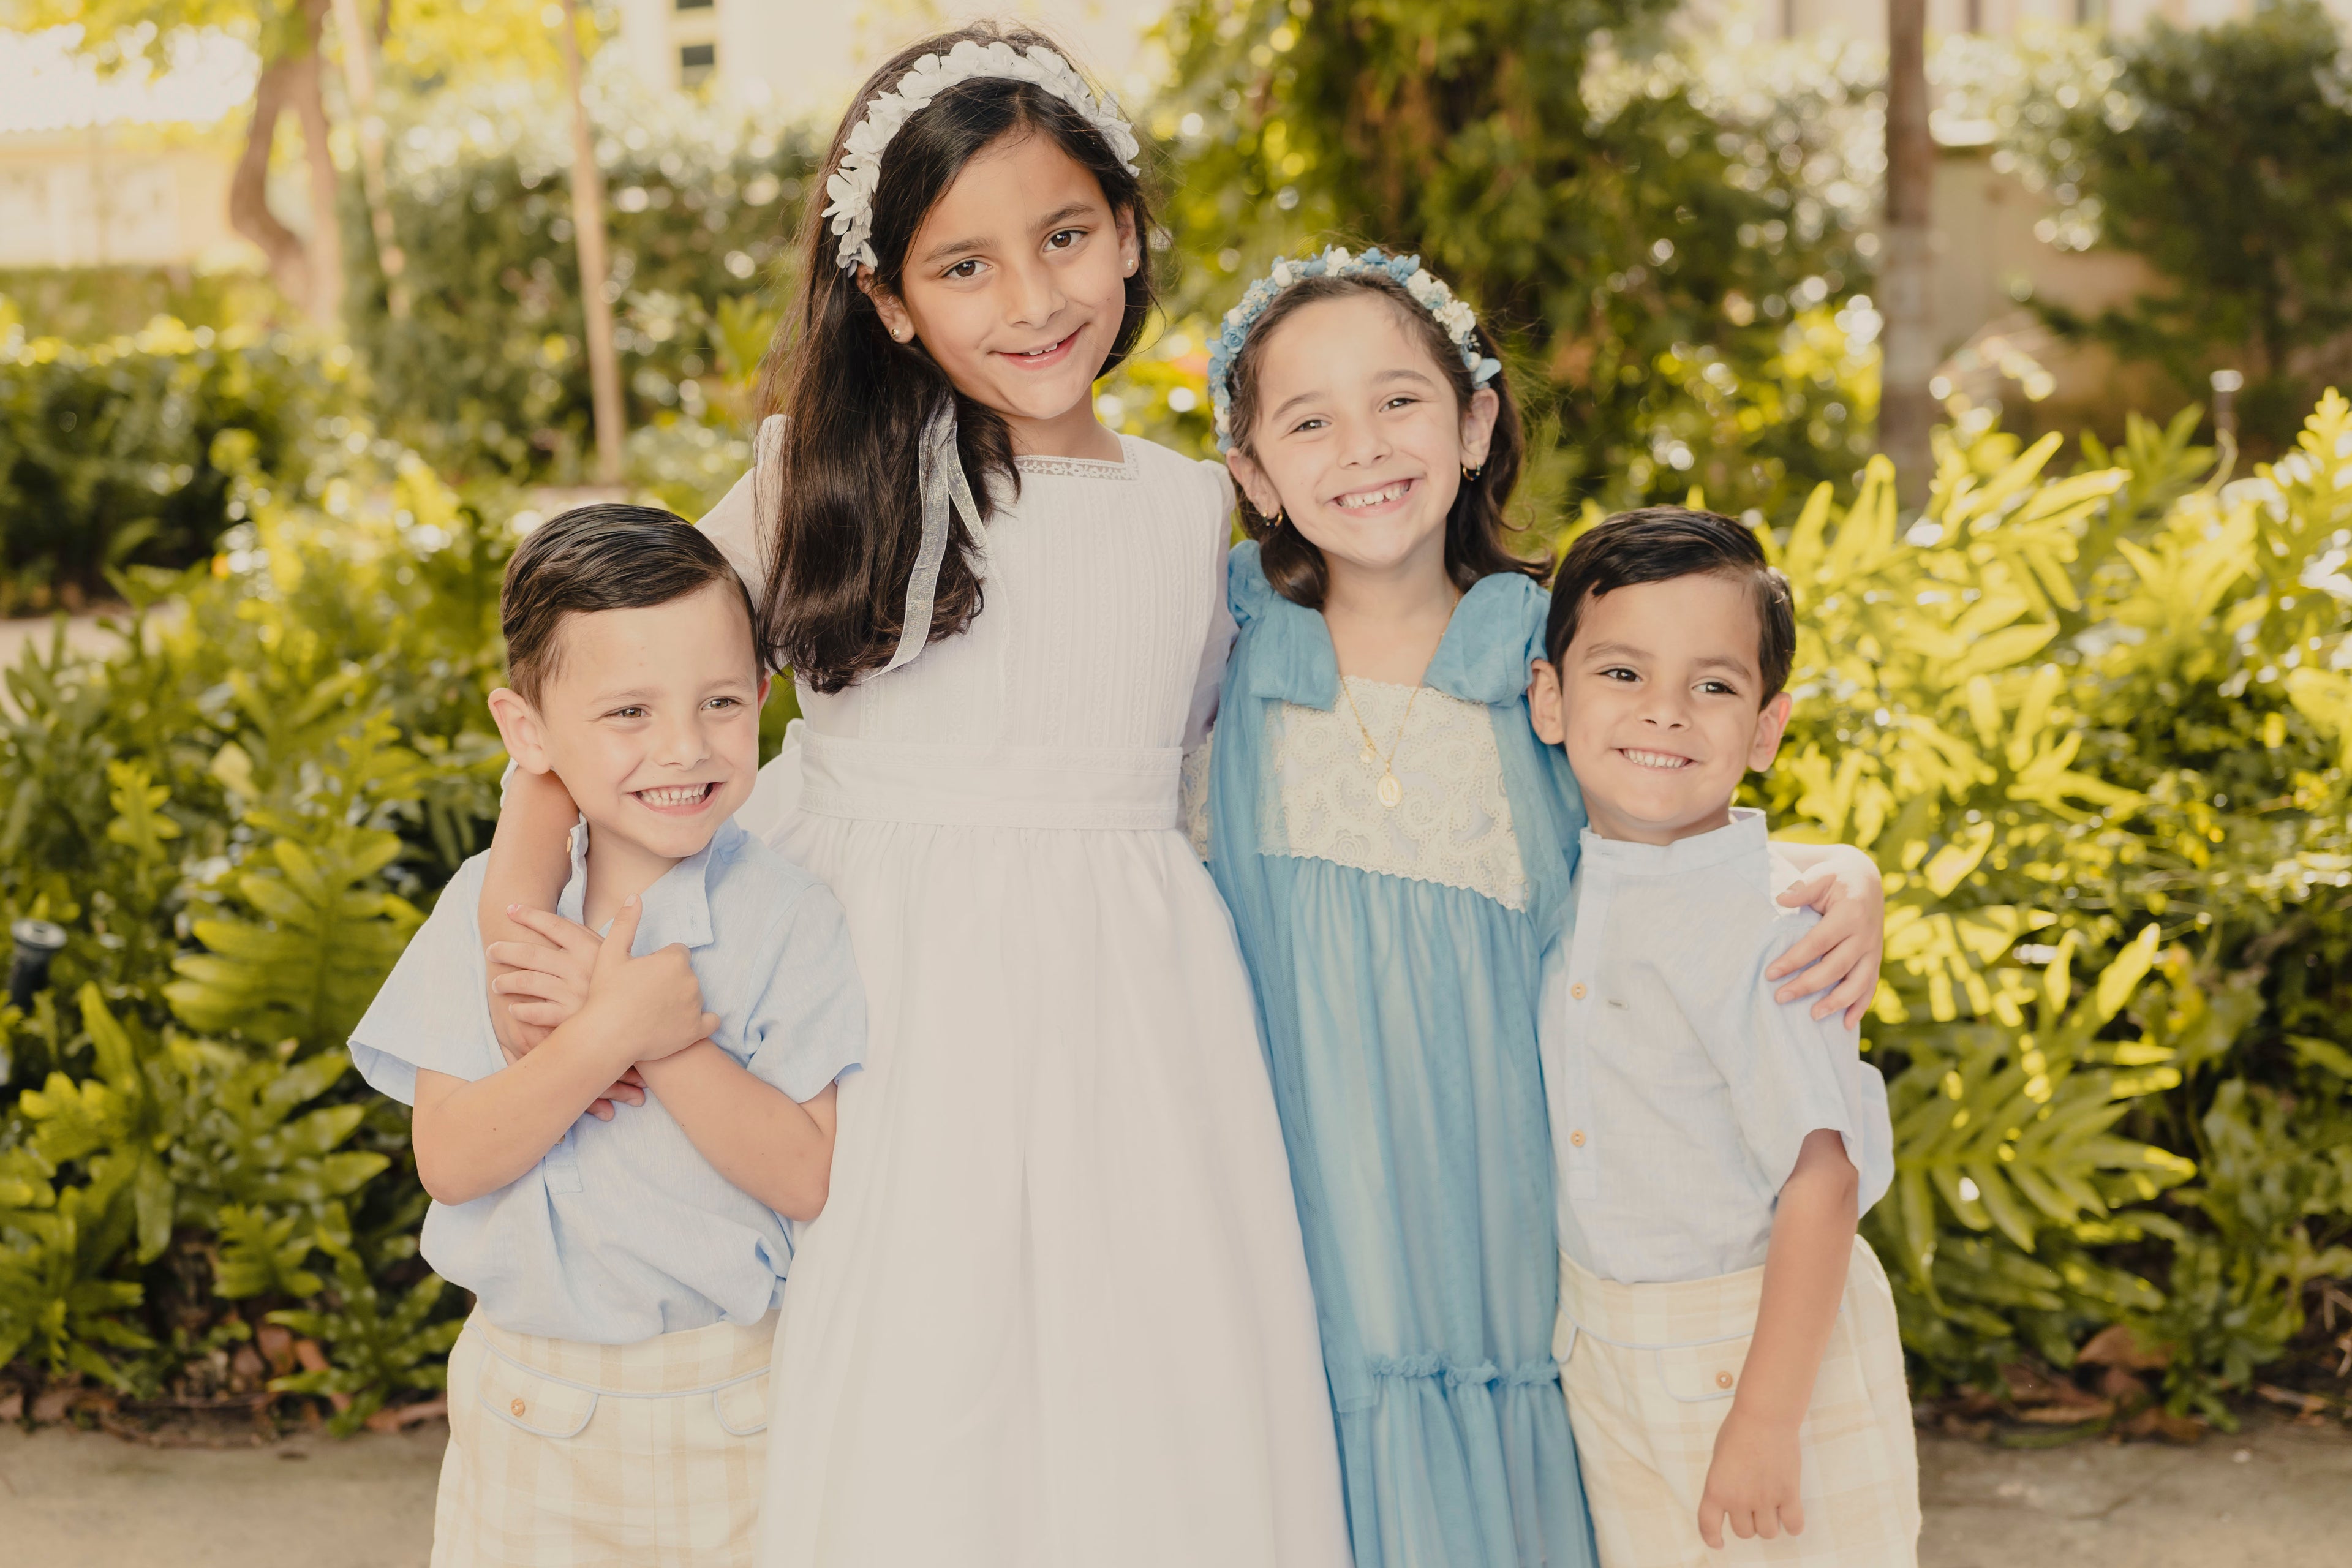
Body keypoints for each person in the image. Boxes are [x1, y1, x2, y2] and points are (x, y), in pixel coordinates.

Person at [470, 24, 1351, 1568]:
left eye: (1067, 237)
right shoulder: (818, 476)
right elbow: (593, 688)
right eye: (966, 266)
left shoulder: (1192, 501)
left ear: (1127, 230)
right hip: (866, 971)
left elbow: (1280, 741)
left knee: (1138, 1343)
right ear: (884, 296)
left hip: (1129, 993)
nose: (1035, 300)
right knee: (909, 1347)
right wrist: (514, 899)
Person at [1191, 251, 1890, 1568]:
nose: (1362, 448)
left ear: (1474, 420)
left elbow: (1673, 813)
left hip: (1528, 1214)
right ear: (1252, 473)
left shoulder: (1545, 646)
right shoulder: (1229, 643)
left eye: (1400, 401)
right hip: (1318, 1207)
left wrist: (1842, 872)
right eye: (1308, 421)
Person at [346, 505, 867, 1567]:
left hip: (731, 1405)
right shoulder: (484, 913)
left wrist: (670, 1043)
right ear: (526, 731)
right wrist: (606, 1032)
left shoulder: (789, 917)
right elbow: (451, 1159)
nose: (685, 748)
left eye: (721, 703)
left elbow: (808, 1174)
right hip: (526, 1405)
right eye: (628, 711)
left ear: (763, 698)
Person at [1527, 508, 1917, 1568]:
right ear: (1548, 699)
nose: (1665, 712)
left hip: (1752, 1348)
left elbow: (1823, 1181)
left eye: (1712, 685)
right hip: (1607, 1342)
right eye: (1621, 674)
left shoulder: (1774, 927)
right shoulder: (1572, 880)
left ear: (1766, 729)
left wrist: (1763, 1421)